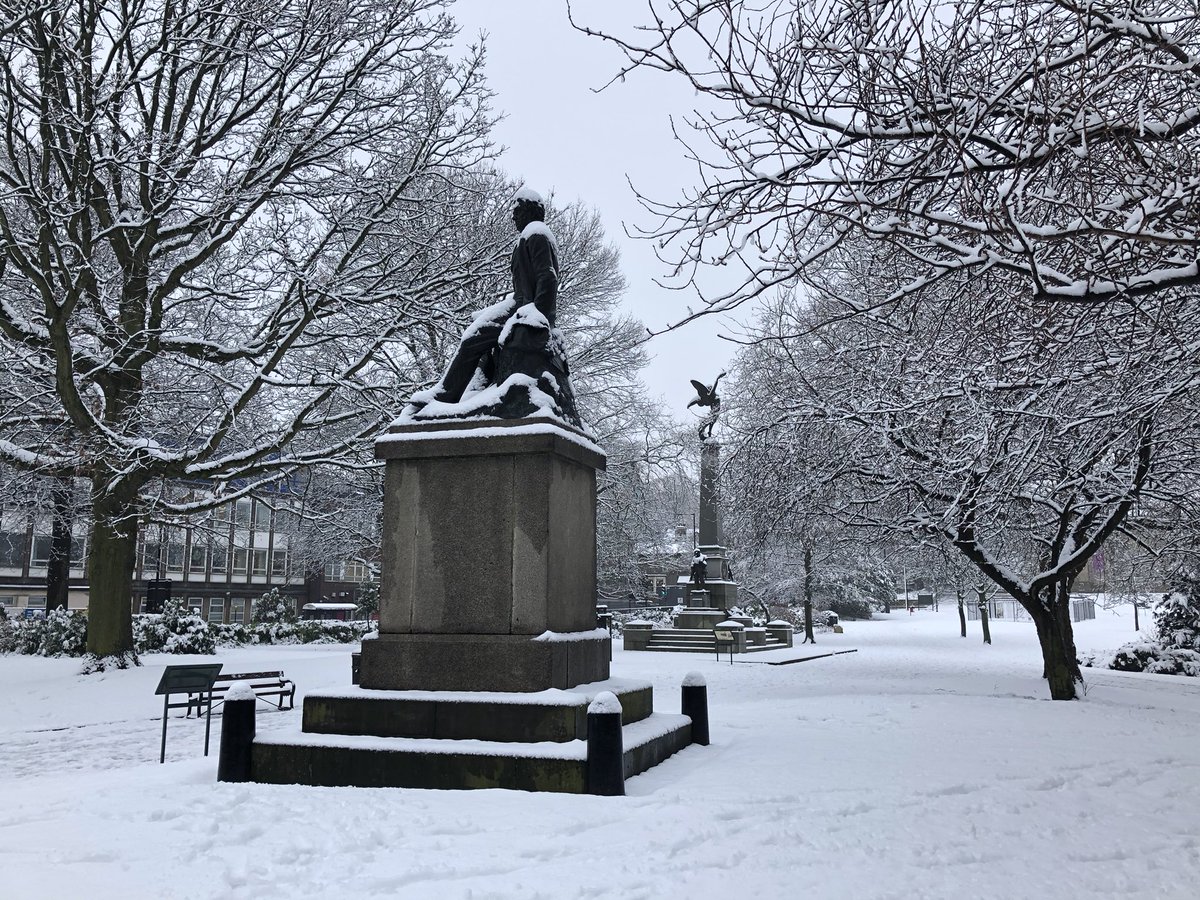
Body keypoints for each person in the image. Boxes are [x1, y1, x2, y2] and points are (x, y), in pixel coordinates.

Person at [422, 188, 563, 407]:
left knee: (472, 339)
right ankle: (476, 389)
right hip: (519, 304)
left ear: (530, 211)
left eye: (517, 211)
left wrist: (539, 317)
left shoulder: (536, 234)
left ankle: (445, 395)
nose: (514, 217)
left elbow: (548, 277)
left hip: (525, 308)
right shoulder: (531, 236)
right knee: (478, 325)